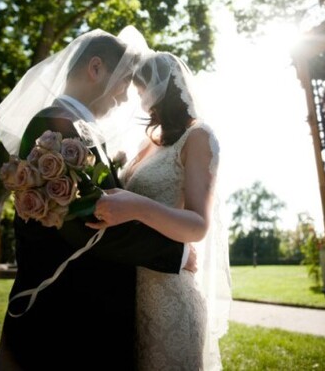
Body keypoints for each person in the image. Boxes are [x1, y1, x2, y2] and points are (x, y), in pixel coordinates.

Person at [0, 29, 191, 371]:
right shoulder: (55, 128)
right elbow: (90, 223)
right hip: (64, 323)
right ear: (95, 69)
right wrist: (178, 252)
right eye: (125, 82)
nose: (127, 98)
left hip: (79, 316)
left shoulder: (76, 128)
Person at [87, 51, 231, 371]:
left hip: (170, 296)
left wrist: (136, 206)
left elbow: (197, 226)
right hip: (128, 293)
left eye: (141, 91)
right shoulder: (147, 144)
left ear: (161, 88)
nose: (139, 101)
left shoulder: (199, 137)